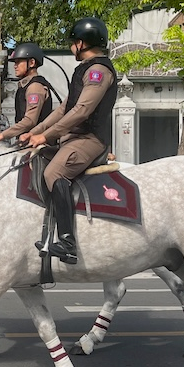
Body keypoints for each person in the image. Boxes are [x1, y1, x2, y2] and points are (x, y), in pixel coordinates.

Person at [23, 17, 117, 264]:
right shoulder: (84, 70)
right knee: (35, 160)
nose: (71, 47)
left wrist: (47, 136)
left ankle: (67, 242)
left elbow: (82, 111)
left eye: (74, 43)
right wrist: (36, 132)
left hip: (90, 138)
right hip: (74, 137)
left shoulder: (99, 71)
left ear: (83, 43)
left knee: (54, 173)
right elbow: (64, 109)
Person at [0, 42, 55, 145]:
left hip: (37, 142)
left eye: (18, 62)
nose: (15, 66)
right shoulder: (24, 86)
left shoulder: (34, 87)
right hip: (26, 140)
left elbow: (30, 121)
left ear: (31, 63)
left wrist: (2, 135)